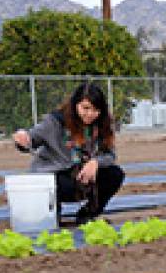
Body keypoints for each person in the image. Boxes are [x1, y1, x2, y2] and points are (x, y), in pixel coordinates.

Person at [11, 82, 125, 225]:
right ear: (75, 105)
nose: (90, 114)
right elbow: (32, 139)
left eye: (96, 110)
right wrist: (23, 139)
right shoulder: (55, 122)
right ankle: (51, 213)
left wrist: (95, 162)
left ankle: (88, 214)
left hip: (80, 176)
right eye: (86, 108)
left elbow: (109, 154)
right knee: (48, 218)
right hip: (54, 178)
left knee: (115, 174)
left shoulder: (101, 126)